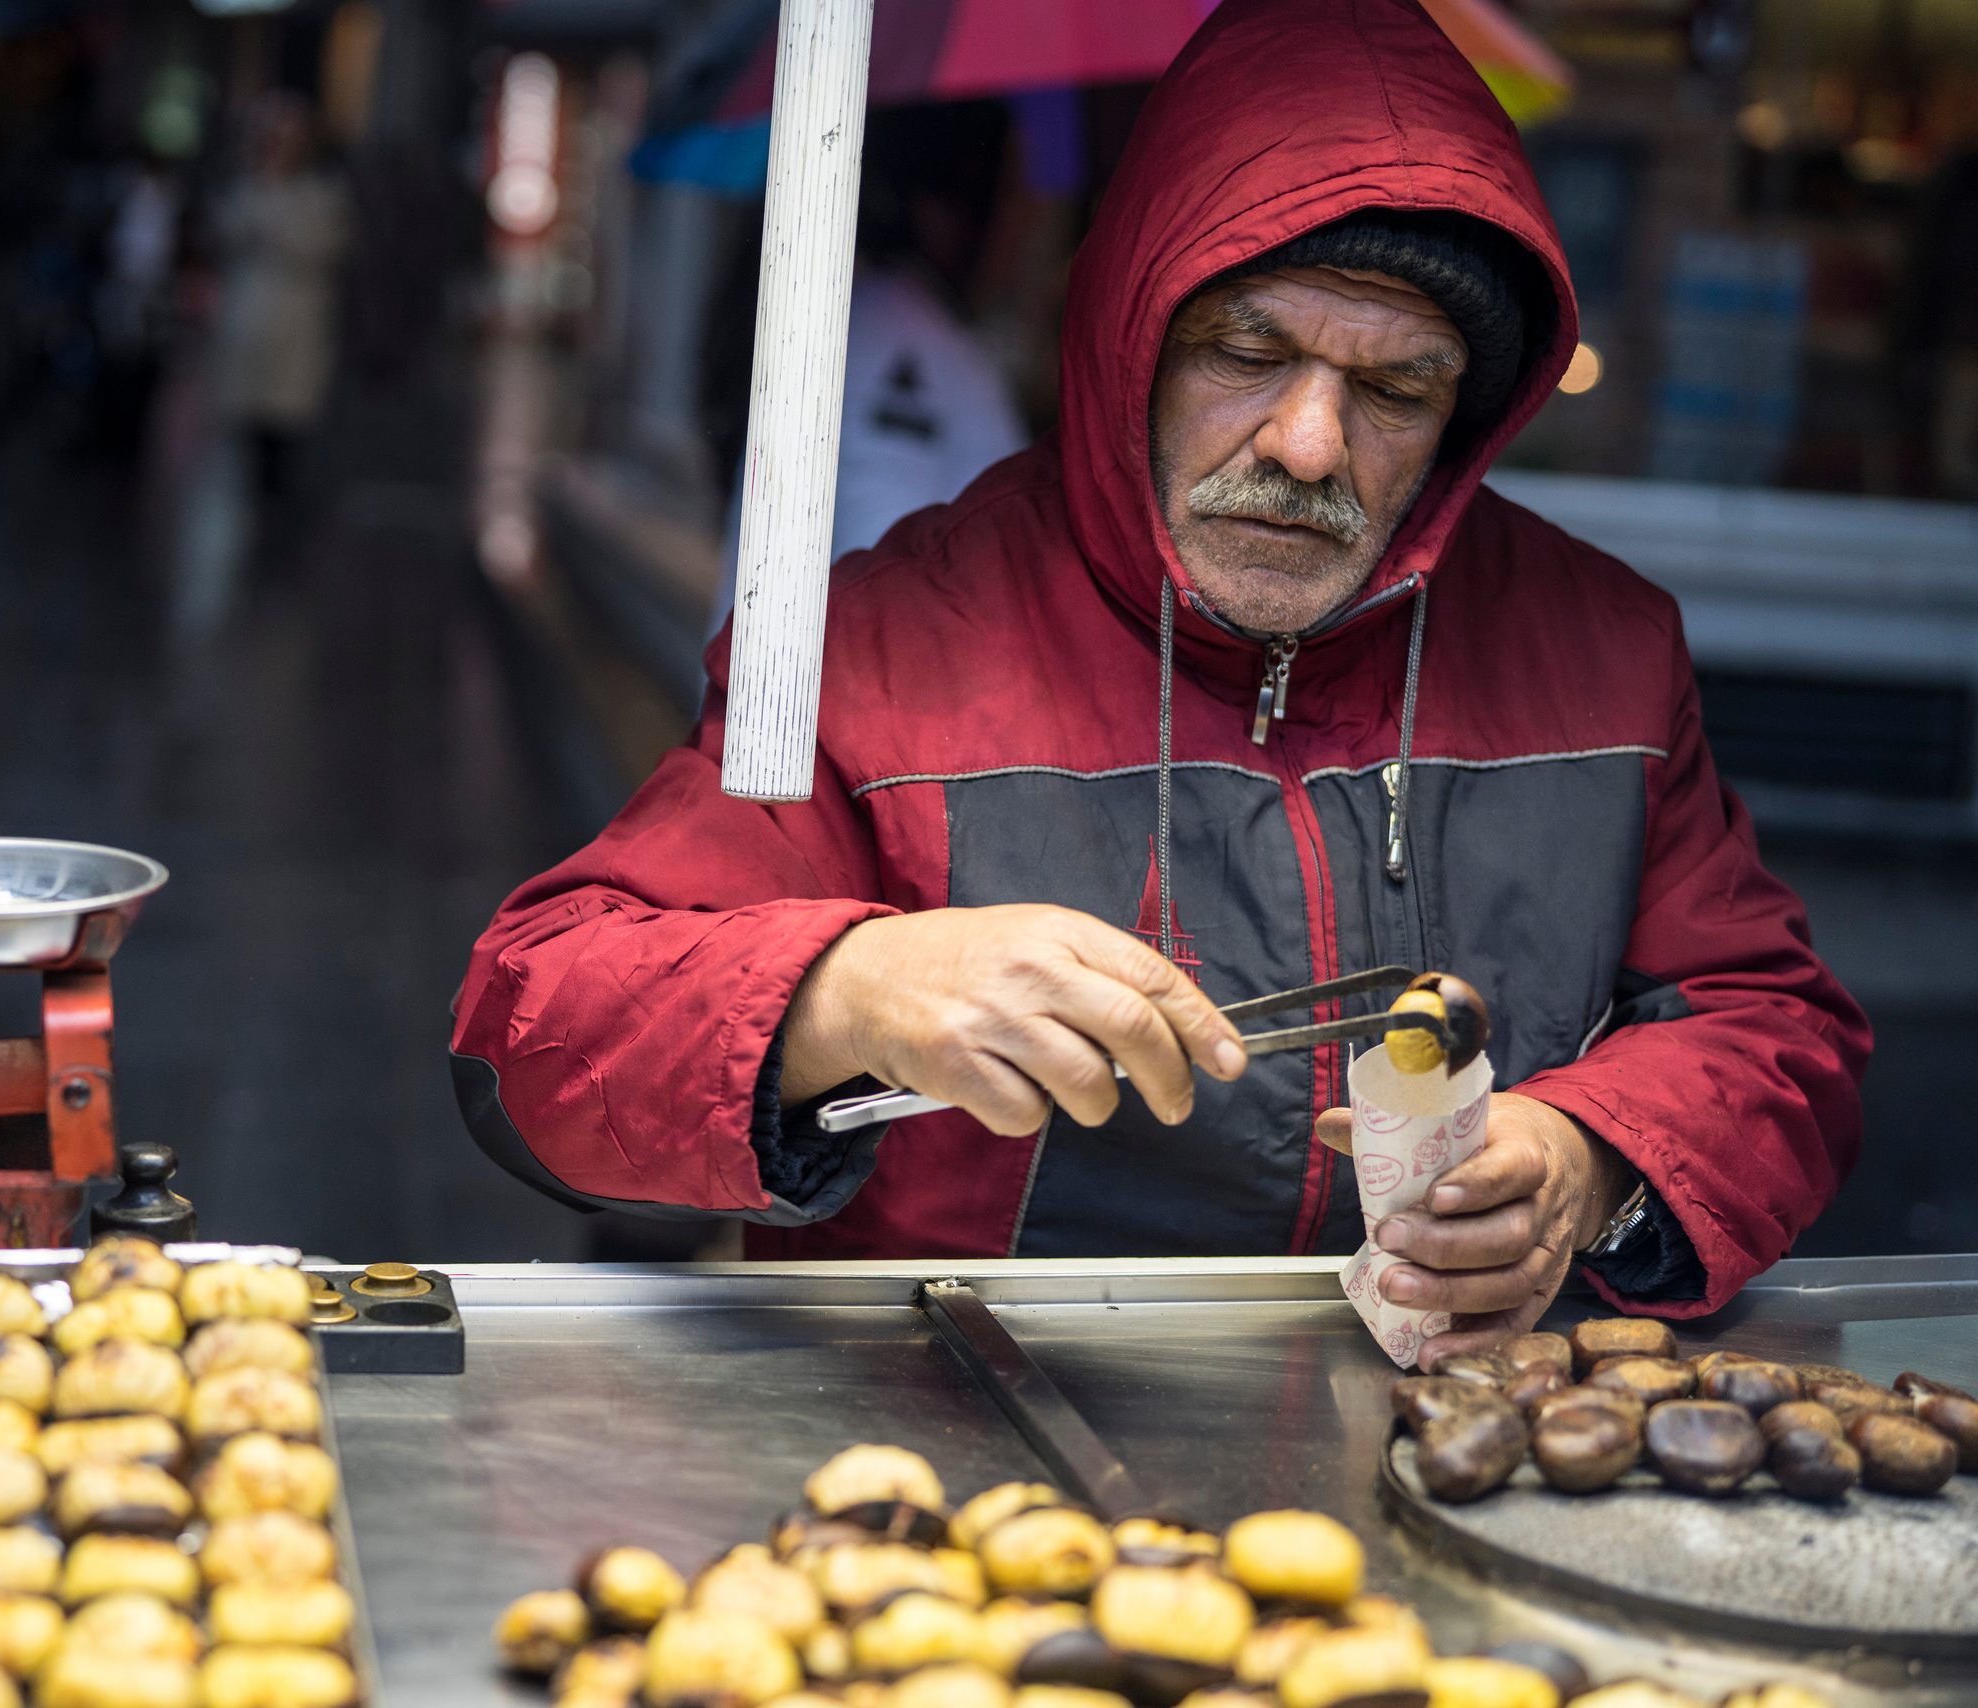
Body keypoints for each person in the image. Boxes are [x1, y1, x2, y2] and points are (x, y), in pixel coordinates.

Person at [452, 0, 1868, 1361]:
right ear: (1128, 338)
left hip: (1452, 1448)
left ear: (1471, 415)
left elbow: (1777, 1031)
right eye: (1250, 352)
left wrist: (1592, 1158)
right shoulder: (884, 647)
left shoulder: (1605, 650)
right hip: (952, 1460)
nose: (1311, 445)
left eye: (1396, 390)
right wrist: (847, 988)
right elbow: (538, 1025)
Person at [704, 102, 1029, 639]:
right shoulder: (897, 342)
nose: (1021, 229)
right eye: (1012, 192)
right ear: (948, 207)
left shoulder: (876, 323)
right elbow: (881, 580)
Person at [213, 94, 350, 496]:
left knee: (285, 418)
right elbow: (227, 231)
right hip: (251, 313)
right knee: (247, 418)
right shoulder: (250, 186)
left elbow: (328, 246)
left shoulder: (322, 194)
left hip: (297, 317)